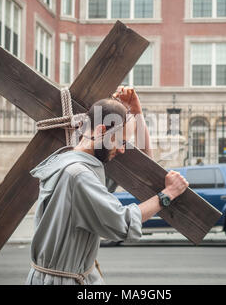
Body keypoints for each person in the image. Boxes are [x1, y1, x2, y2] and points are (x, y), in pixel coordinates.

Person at [26, 86, 189, 285]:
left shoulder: (69, 160)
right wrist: (168, 194)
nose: (122, 150)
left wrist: (136, 114)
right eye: (120, 141)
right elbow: (122, 223)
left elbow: (146, 167)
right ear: (101, 131)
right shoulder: (79, 176)